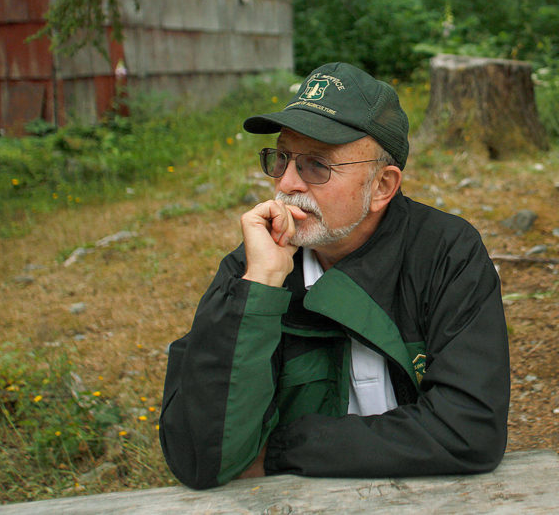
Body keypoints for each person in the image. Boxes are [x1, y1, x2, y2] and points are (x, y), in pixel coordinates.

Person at [159, 62, 510, 490]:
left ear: (382, 186)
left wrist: (283, 450)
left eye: (316, 165)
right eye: (282, 158)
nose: (287, 183)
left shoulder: (444, 253)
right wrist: (260, 287)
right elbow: (198, 457)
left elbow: (470, 431)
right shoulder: (253, 267)